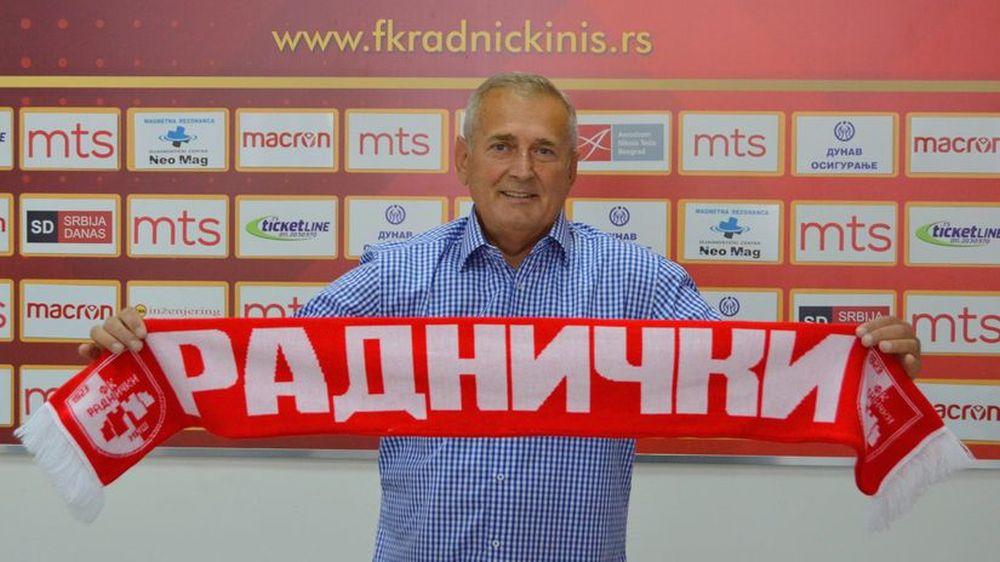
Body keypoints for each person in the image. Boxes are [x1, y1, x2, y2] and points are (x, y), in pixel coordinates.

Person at [81, 72, 922, 561]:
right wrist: (142, 356)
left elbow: (749, 375)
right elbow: (268, 364)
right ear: (462, 161)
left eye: (545, 149)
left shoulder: (641, 281)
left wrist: (863, 368)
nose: (524, 169)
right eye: (502, 145)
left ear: (573, 171)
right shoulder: (397, 274)